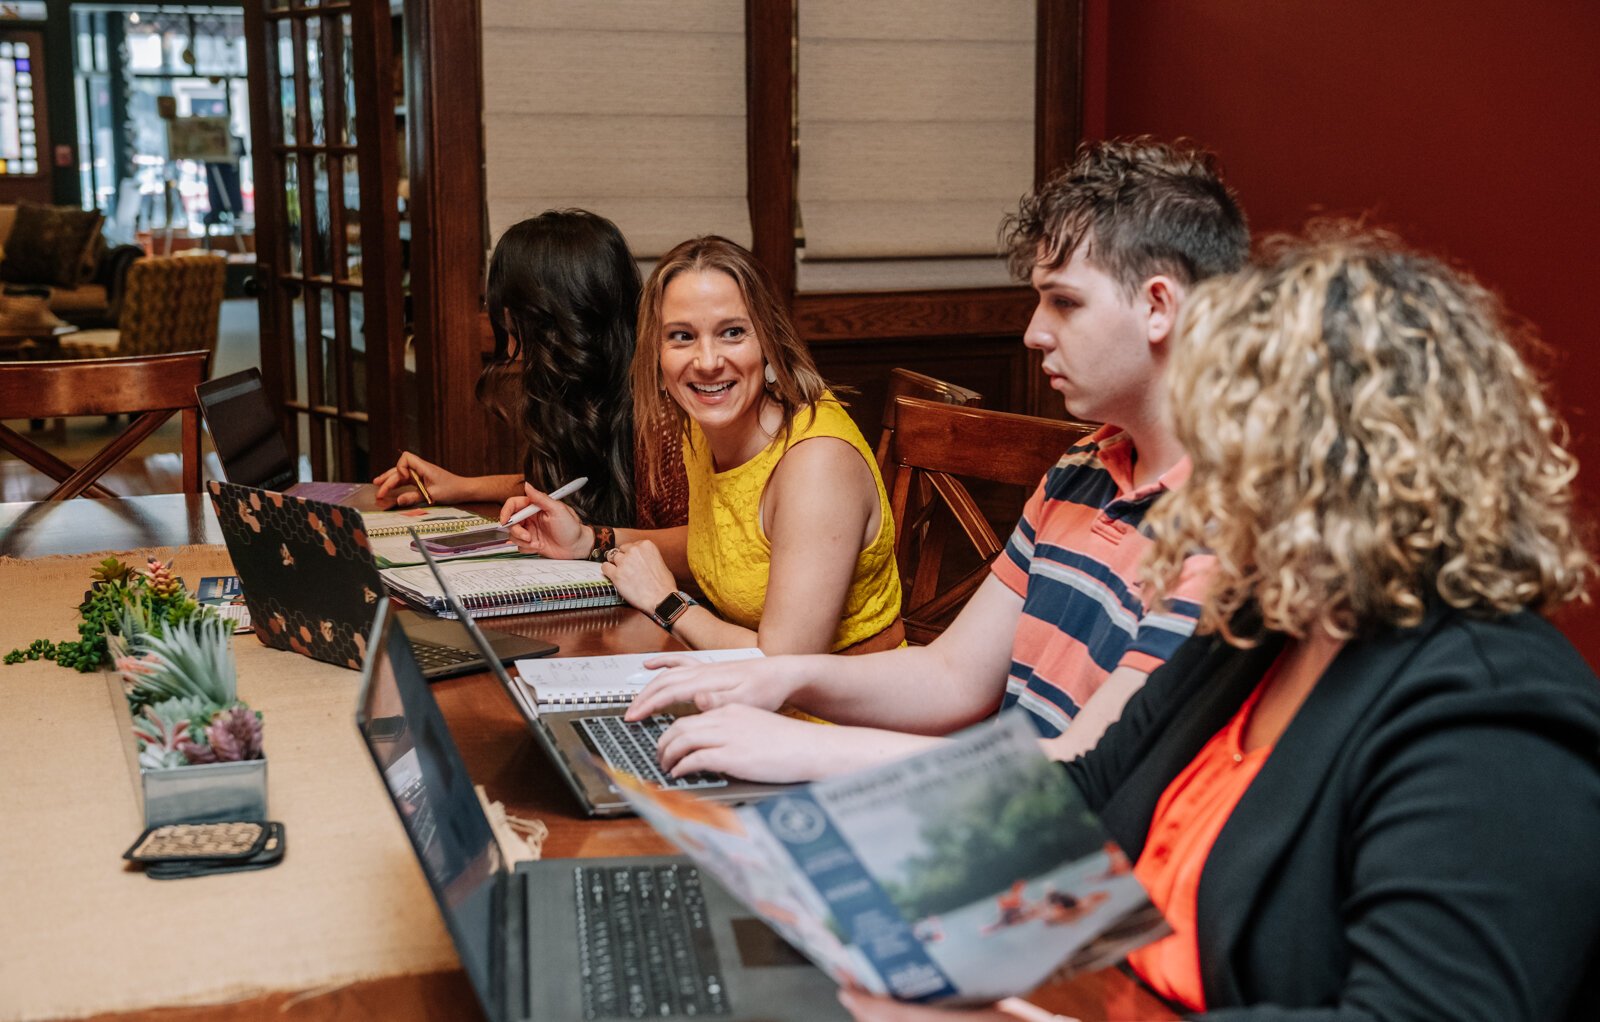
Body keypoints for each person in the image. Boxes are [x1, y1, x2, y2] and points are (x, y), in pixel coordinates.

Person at [836, 229, 1600, 1021]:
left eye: (1228, 452)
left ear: (1350, 470)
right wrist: (850, 867)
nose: (1196, 487)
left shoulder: (1494, 716)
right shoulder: (1261, 625)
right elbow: (1087, 788)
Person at [627, 139, 1249, 779]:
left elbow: (1086, 770)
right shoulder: (1081, 469)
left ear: (1158, 307)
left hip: (1072, 848)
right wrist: (776, 677)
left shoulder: (1234, 527)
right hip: (992, 806)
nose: (1033, 331)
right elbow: (950, 676)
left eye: (1064, 301)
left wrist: (813, 747)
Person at [501, 235, 903, 654]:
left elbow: (785, 664)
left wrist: (668, 603)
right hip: (739, 693)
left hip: (832, 712)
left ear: (769, 341)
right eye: (681, 336)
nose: (708, 362)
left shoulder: (817, 464)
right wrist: (589, 540)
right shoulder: (702, 427)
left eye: (732, 332)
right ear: (655, 352)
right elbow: (723, 545)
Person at [371, 209, 689, 528]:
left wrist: (591, 543)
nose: (503, 323)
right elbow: (570, 485)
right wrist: (462, 486)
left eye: (511, 311)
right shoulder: (587, 389)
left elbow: (695, 548)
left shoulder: (662, 414)